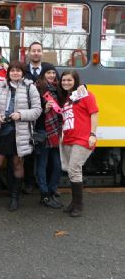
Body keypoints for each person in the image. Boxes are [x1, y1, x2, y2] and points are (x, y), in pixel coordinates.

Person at [0, 61, 41, 212]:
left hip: (20, 132)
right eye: (12, 71)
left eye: (18, 70)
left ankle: (15, 198)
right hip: (3, 130)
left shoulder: (30, 87)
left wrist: (20, 115)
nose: (15, 73)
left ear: (22, 72)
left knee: (17, 164)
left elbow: (37, 110)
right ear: (8, 73)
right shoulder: (2, 87)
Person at [58, 70, 98, 217]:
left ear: (76, 81)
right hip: (68, 138)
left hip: (82, 138)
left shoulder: (85, 94)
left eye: (69, 80)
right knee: (71, 170)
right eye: (63, 80)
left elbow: (94, 113)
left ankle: (78, 205)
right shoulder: (69, 98)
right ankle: (74, 203)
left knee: (74, 169)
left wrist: (93, 134)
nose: (66, 83)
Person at [22, 41, 56, 193]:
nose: (36, 53)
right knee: (29, 153)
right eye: (33, 50)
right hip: (28, 118)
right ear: (29, 53)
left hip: (46, 120)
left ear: (42, 53)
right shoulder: (23, 70)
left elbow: (61, 87)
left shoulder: (49, 69)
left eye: (39, 50)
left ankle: (48, 185)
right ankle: (29, 183)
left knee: (46, 155)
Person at [33, 65, 64, 208]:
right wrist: (44, 110)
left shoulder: (58, 88)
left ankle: (51, 191)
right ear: (43, 74)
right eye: (48, 72)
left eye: (53, 73)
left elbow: (74, 88)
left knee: (58, 165)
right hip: (42, 132)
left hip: (56, 132)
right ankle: (44, 195)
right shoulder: (37, 88)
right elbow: (32, 111)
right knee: (42, 164)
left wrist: (84, 87)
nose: (51, 75)